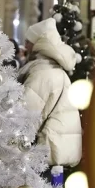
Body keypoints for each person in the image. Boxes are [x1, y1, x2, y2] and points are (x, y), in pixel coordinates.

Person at [19, 18, 82, 172]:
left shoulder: (43, 73)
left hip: (46, 155)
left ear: (39, 43)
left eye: (29, 41)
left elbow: (26, 116)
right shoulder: (55, 70)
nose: (25, 45)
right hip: (58, 152)